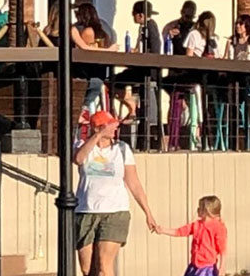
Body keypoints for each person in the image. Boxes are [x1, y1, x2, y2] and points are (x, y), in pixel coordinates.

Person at [74, 111, 157, 276]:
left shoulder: (122, 149)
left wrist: (148, 212)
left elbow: (134, 183)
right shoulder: (82, 145)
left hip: (115, 211)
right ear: (99, 127)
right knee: (87, 269)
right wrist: (97, 136)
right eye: (110, 125)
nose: (115, 128)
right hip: (86, 210)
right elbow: (78, 159)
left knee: (104, 267)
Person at [156, 195, 227, 276]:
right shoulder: (196, 225)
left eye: (200, 208)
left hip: (207, 268)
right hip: (194, 266)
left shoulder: (218, 227)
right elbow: (179, 232)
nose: (198, 210)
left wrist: (222, 267)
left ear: (207, 211)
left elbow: (222, 249)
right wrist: (163, 230)